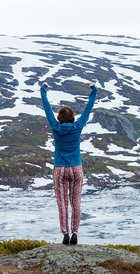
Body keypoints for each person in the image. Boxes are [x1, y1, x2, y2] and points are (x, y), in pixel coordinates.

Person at [40, 81, 98, 245]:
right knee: (76, 202)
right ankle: (75, 232)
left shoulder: (55, 127)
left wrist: (43, 89)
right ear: (73, 118)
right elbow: (88, 108)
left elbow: (46, 107)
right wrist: (94, 90)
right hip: (76, 168)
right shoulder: (78, 126)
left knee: (63, 203)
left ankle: (65, 234)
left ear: (59, 118)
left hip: (60, 169)